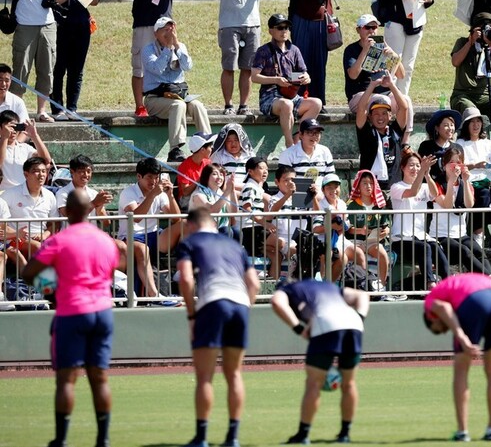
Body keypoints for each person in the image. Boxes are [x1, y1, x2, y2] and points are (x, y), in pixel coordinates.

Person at [21, 190, 119, 447]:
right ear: (89, 210)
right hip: (103, 311)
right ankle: (103, 440)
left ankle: (61, 440)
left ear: (69, 211)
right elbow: (108, 272)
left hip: (72, 311)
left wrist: (50, 290)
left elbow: (28, 272)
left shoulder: (59, 240)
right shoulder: (106, 241)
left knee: (66, 379)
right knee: (100, 378)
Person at [177, 208, 260, 447]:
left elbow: (186, 279)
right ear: (213, 224)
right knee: (234, 374)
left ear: (191, 225)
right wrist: (245, 307)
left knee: (205, 376)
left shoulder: (189, 243)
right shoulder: (235, 246)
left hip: (212, 303)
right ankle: (232, 437)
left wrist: (192, 315)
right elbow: (254, 284)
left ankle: (201, 437)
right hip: (240, 304)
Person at [423, 273, 491, 442]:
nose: (445, 330)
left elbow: (444, 308)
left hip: (473, 302)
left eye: (441, 329)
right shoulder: (463, 281)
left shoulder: (430, 302)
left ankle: (462, 432)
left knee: (461, 369)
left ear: (431, 318)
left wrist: (461, 336)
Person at [272, 279, 370, 445]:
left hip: (325, 323)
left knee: (313, 384)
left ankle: (303, 435)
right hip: (354, 323)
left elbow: (277, 302)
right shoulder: (327, 286)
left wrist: (298, 328)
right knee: (349, 384)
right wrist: (359, 317)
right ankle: (345, 434)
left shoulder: (287, 290)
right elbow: (362, 295)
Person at [55, 154, 156, 297]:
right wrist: (94, 203)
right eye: (82, 171)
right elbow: (69, 215)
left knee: (121, 247)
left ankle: (116, 287)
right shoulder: (63, 193)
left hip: (93, 238)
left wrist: (99, 207)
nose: (86, 175)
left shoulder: (93, 193)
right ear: (72, 172)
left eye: (88, 171)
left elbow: (106, 222)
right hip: (72, 239)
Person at [8, 0, 69, 122]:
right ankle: (16, 112)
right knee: (20, 69)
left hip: (47, 25)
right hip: (24, 26)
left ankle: (41, 111)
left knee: (46, 69)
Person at [215, 0, 278, 116]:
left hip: (252, 24)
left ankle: (243, 105)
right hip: (229, 24)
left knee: (248, 68)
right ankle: (228, 105)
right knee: (229, 67)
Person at [126, 0, 187, 117]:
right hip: (144, 22)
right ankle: (140, 106)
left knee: (167, 62)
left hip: (165, 23)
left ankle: (163, 100)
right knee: (140, 66)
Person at [142, 16, 212, 162]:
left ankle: (207, 144)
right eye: (165, 30)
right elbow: (157, 69)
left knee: (197, 106)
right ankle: (175, 149)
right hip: (155, 99)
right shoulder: (148, 50)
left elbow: (188, 66)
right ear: (156, 33)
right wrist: (167, 49)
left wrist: (177, 47)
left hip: (178, 95)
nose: (169, 33)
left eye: (171, 29)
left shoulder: (180, 46)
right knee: (178, 105)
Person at [284, 0, 337, 108]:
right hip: (300, 19)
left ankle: (319, 103)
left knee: (319, 63)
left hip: (320, 21)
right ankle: (298, 100)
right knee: (299, 61)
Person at [251, 13, 319, 148]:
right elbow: (254, 77)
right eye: (280, 28)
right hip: (269, 97)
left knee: (317, 103)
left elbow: (304, 72)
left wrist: (306, 77)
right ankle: (289, 144)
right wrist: (276, 80)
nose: (284, 31)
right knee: (287, 105)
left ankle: (298, 136)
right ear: (271, 31)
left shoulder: (294, 50)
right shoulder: (263, 51)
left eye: (286, 28)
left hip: (291, 95)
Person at [49, 0, 99, 120]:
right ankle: (57, 109)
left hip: (81, 27)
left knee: (76, 70)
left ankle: (72, 108)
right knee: (58, 69)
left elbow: (95, 1)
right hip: (59, 27)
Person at [116, 157, 183, 286]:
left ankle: (181, 271)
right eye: (149, 177)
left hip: (155, 235)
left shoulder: (160, 193)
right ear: (139, 176)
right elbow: (136, 217)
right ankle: (153, 293)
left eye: (156, 177)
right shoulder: (128, 193)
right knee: (143, 249)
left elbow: (176, 219)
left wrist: (171, 196)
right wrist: (152, 195)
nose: (153, 181)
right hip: (131, 237)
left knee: (184, 225)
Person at [344, 14, 412, 139]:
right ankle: (375, 139)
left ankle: (405, 141)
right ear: (358, 30)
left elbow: (401, 75)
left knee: (405, 100)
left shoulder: (384, 48)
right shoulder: (351, 50)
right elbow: (353, 75)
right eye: (367, 27)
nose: (371, 31)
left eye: (374, 27)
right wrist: (365, 50)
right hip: (361, 95)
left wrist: (393, 55)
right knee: (380, 100)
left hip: (385, 93)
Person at [389, 149, 449, 289]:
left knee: (435, 247)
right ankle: (430, 283)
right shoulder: (396, 187)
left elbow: (435, 193)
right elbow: (412, 192)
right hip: (401, 238)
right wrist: (422, 170)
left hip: (420, 236)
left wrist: (426, 174)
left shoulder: (424, 187)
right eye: (411, 165)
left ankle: (448, 282)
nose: (415, 169)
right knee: (425, 247)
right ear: (403, 168)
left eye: (417, 165)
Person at [430, 144, 491, 276]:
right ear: (444, 165)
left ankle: (490, 280)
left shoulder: (465, 183)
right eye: (451, 162)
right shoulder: (437, 184)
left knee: (479, 251)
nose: (455, 166)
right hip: (441, 235)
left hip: (460, 234)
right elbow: (448, 206)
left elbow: (469, 204)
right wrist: (451, 182)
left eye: (458, 162)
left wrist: (465, 181)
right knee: (464, 251)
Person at [449, 11, 491, 117]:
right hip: (463, 95)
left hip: (485, 95)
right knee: (472, 112)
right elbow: (455, 62)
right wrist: (470, 42)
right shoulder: (462, 42)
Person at [355, 75, 409, 191]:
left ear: (390, 116)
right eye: (376, 114)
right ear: (370, 116)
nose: (380, 117)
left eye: (384, 113)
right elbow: (361, 109)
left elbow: (404, 108)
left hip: (394, 187)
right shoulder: (366, 133)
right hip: (370, 188)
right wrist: (372, 85)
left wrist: (392, 85)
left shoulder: (395, 131)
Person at [456, 106, 491, 245]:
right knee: (483, 195)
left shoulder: (489, 144)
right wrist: (475, 165)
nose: (476, 125)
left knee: (490, 195)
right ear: (466, 125)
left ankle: (479, 234)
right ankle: (477, 233)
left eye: (478, 121)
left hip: (487, 181)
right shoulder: (460, 144)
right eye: (472, 122)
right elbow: (457, 165)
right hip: (467, 182)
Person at [1, 156, 58, 260]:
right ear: (26, 174)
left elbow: (55, 223)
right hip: (15, 239)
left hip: (41, 239)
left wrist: (44, 235)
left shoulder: (50, 196)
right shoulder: (10, 194)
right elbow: (2, 225)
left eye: (43, 171)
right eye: (36, 171)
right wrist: (16, 234)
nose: (41, 175)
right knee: (38, 247)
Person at [346, 170, 392, 292]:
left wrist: (386, 231)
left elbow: (387, 224)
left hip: (373, 241)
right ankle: (361, 285)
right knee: (358, 253)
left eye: (371, 183)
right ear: (358, 186)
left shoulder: (379, 204)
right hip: (356, 241)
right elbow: (348, 229)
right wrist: (360, 231)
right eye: (365, 183)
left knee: (383, 254)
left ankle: (381, 285)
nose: (368, 186)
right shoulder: (352, 205)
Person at [312, 173, 362, 282]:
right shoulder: (320, 205)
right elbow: (316, 229)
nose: (333, 190)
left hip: (340, 239)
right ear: (323, 190)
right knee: (342, 258)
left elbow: (347, 224)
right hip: (324, 241)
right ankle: (327, 287)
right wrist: (332, 226)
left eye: (336, 187)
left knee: (359, 254)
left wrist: (342, 226)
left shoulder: (342, 204)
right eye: (329, 187)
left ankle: (361, 285)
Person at [0, 110, 51, 191]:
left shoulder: (24, 148)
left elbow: (46, 160)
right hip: (3, 192)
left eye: (16, 127)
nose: (13, 130)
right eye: (10, 127)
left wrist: (35, 136)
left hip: (23, 192)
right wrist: (4, 137)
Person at [189, 163, 239, 236]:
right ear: (206, 177)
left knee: (237, 231)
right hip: (202, 232)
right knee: (226, 231)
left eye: (221, 175)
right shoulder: (198, 195)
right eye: (215, 174)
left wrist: (232, 190)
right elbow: (212, 211)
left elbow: (234, 212)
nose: (219, 177)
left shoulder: (221, 194)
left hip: (220, 229)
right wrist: (227, 191)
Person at [417, 108, 461, 186]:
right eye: (446, 125)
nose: (450, 128)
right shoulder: (426, 146)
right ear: (437, 128)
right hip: (430, 187)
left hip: (452, 187)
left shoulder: (457, 148)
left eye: (452, 125)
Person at [176, 132, 216, 209]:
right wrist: (199, 181)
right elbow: (185, 192)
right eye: (210, 147)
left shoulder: (208, 162)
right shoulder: (184, 166)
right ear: (202, 150)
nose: (212, 149)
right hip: (187, 199)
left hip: (204, 194)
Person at [211, 123, 255, 188]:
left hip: (247, 189)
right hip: (225, 189)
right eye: (229, 141)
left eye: (236, 140)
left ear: (241, 140)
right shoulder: (218, 156)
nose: (233, 143)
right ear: (224, 142)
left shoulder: (249, 156)